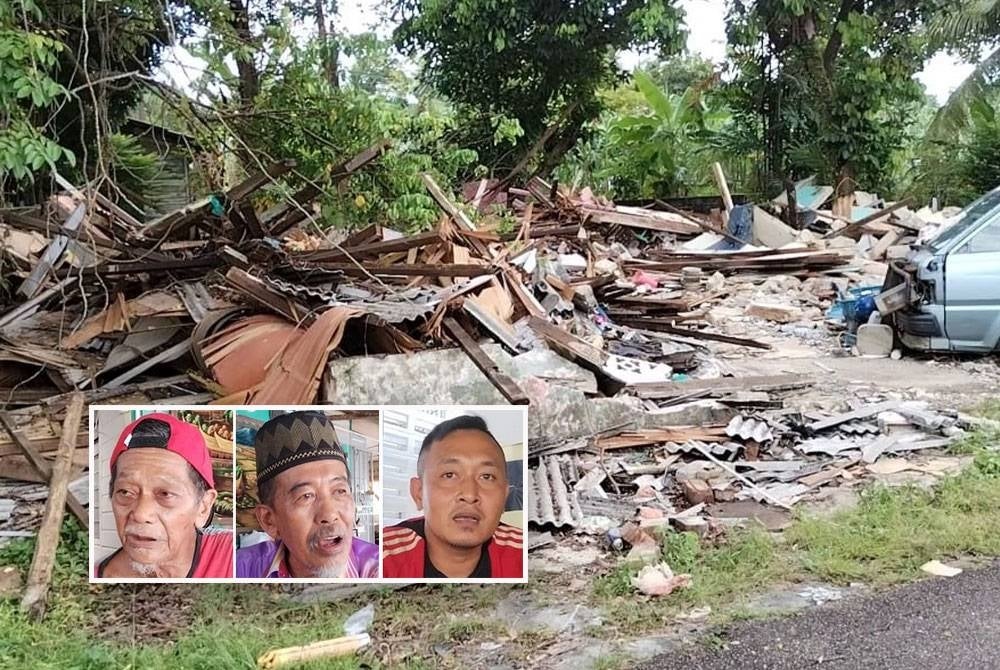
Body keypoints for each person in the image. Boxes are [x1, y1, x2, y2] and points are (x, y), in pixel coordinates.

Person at [236, 411, 378, 578]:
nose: (330, 514)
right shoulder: (240, 569)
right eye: (306, 496)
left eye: (340, 491)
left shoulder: (380, 566)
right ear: (269, 520)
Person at [383, 415, 523, 578]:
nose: (470, 495)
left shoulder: (525, 553)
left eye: (486, 477)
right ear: (419, 492)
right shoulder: (384, 556)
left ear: (505, 495)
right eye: (449, 475)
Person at [96, 413, 233, 578]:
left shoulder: (232, 558)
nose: (141, 514)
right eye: (125, 492)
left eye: (165, 494)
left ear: (203, 507)